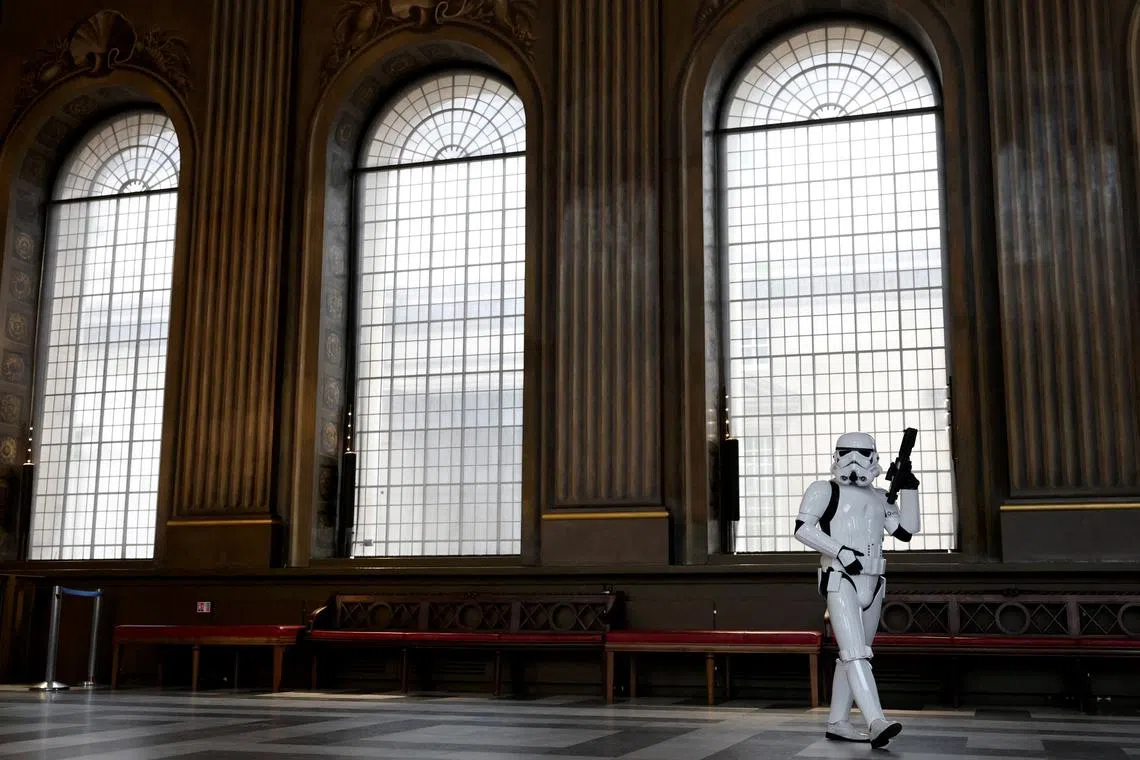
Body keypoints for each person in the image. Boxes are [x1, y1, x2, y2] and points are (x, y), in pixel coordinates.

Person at [792, 431, 920, 749]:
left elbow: (906, 531)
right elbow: (802, 529)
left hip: (874, 582)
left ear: (874, 458)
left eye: (862, 454)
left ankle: (838, 722)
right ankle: (876, 721)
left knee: (854, 655)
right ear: (836, 456)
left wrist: (909, 489)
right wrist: (840, 551)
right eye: (846, 452)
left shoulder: (879, 497)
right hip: (841, 577)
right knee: (854, 653)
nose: (854, 460)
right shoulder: (824, 489)